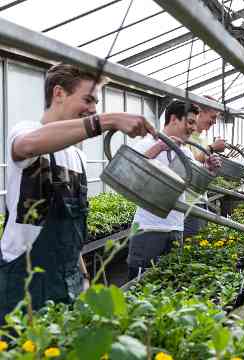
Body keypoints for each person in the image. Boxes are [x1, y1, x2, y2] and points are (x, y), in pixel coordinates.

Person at [0, 64, 155, 322]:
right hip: (24, 281)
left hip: (68, 281)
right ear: (58, 93)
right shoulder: (25, 131)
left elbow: (71, 232)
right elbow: (27, 145)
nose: (93, 108)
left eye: (96, 102)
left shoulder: (78, 158)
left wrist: (83, 278)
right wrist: (108, 120)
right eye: (88, 99)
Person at [127, 101, 221, 280]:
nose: (194, 128)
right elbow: (132, 175)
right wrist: (160, 147)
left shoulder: (185, 152)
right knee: (139, 286)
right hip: (148, 229)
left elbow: (194, 188)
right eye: (190, 122)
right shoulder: (147, 143)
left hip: (176, 229)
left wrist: (209, 170)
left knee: (169, 286)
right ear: (173, 120)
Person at [184, 96, 226, 238]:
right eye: (212, 117)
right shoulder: (186, 135)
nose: (214, 122)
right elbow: (186, 164)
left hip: (200, 198)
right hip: (188, 202)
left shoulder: (202, 138)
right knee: (191, 244)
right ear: (200, 111)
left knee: (199, 241)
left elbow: (202, 168)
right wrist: (212, 148)